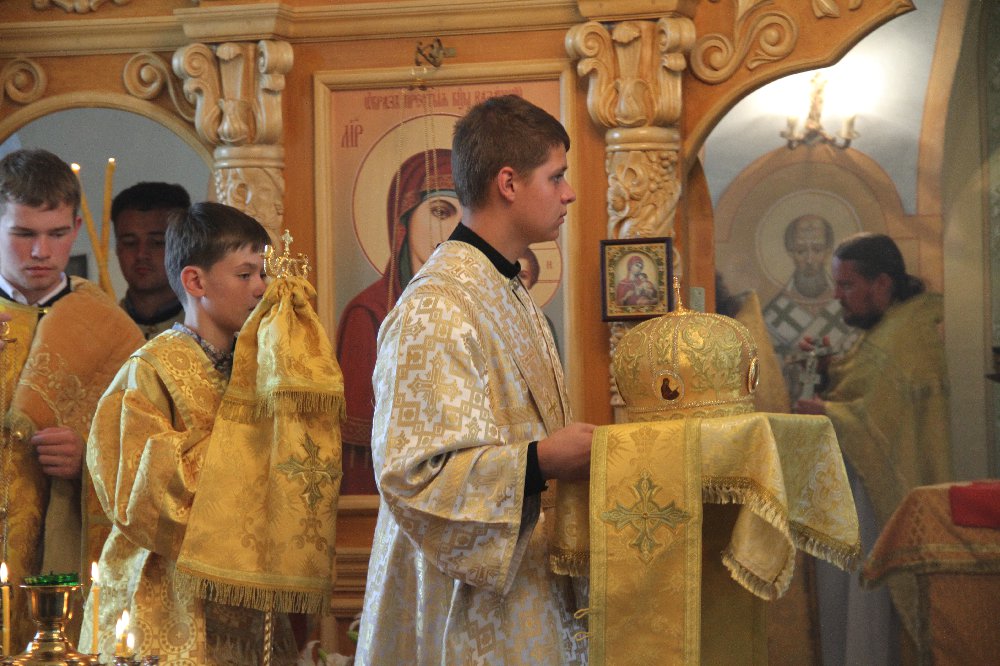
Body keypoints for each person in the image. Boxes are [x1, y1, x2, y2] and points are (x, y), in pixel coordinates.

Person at [356, 94, 594, 664]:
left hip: (522, 588)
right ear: (508, 183)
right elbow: (413, 475)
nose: (568, 193)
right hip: (458, 608)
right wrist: (542, 461)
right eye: (556, 176)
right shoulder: (435, 308)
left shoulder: (505, 289)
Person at [80, 202, 301, 662]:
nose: (261, 288)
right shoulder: (149, 372)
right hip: (164, 597)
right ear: (196, 282)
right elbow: (141, 495)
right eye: (245, 274)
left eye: (264, 274)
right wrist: (248, 438)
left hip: (245, 595)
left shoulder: (262, 368)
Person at [0, 148, 145, 647]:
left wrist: (89, 456)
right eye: (23, 234)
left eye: (57, 233)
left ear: (78, 227)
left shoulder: (112, 330)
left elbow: (152, 457)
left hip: (66, 565)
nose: (41, 251)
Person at [794, 232, 952, 665]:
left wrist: (826, 411)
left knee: (873, 612)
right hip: (873, 493)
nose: (837, 296)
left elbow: (875, 420)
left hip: (880, 503)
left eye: (846, 285)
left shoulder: (902, 338)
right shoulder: (898, 324)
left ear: (882, 283)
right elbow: (865, 388)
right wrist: (826, 368)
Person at [336, 148, 460, 494]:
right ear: (404, 221)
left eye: (465, 216)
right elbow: (360, 450)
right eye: (440, 211)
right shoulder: (369, 313)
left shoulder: (472, 308)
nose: (453, 230)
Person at [763, 215, 856, 398]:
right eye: (800, 251)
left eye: (818, 249)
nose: (810, 260)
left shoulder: (850, 309)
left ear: (828, 251)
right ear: (790, 252)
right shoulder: (773, 315)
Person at [112, 181, 191, 339]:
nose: (141, 254)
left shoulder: (208, 330)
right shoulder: (99, 328)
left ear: (184, 247)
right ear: (117, 248)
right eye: (130, 242)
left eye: (157, 242)